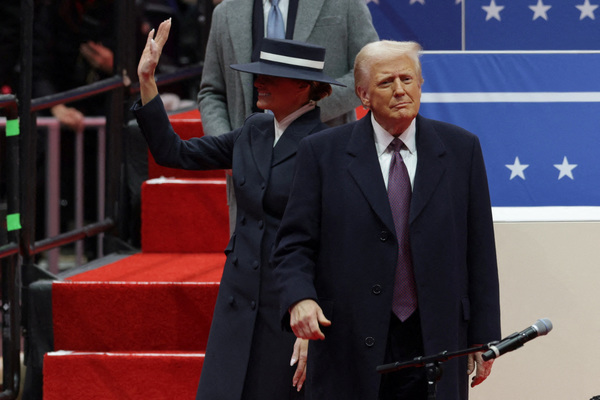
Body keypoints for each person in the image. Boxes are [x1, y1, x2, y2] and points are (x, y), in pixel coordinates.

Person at [272, 40, 501, 400]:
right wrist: (300, 298)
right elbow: (293, 245)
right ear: (363, 95)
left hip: (436, 340)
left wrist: (484, 336)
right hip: (347, 337)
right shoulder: (321, 153)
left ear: (421, 85)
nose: (399, 90)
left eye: (407, 79)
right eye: (386, 82)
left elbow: (480, 249)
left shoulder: (462, 149)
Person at [132, 19, 344, 400]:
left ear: (304, 87)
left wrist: (313, 331)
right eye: (258, 75)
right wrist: (148, 80)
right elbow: (174, 152)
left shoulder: (328, 146)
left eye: (270, 78)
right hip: (237, 300)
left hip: (287, 309)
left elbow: (335, 246)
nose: (258, 83)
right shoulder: (253, 130)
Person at [198, 0, 380, 233]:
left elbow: (370, 72)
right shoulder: (225, 12)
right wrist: (230, 150)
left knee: (325, 263)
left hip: (323, 159)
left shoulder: (344, 4)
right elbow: (211, 91)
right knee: (252, 264)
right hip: (251, 173)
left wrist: (301, 110)